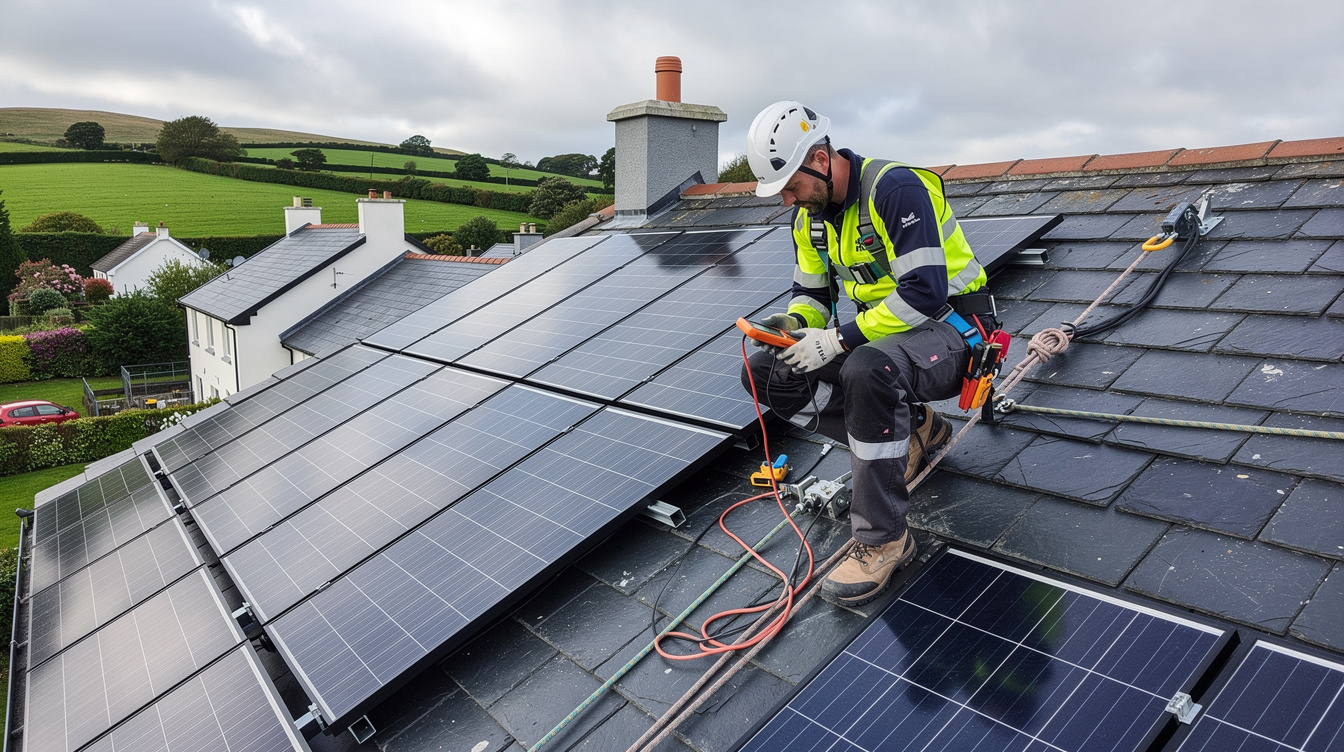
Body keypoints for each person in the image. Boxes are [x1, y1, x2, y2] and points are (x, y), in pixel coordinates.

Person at [740, 101, 993, 606]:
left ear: (819, 157)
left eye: (791, 184)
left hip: (955, 333)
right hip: (881, 341)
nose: (788, 198)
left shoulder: (894, 189)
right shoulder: (809, 219)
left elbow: (924, 291)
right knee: (767, 370)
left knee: (866, 367)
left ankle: (885, 539)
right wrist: (794, 326)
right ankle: (915, 430)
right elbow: (810, 295)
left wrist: (835, 340)